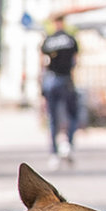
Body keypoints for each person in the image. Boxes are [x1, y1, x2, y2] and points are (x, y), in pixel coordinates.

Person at [39, 15, 82, 168]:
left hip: (51, 79)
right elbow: (75, 61)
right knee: (71, 114)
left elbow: (42, 63)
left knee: (53, 117)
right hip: (66, 78)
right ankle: (68, 145)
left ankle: (54, 153)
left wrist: (41, 86)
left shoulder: (48, 40)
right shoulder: (70, 39)